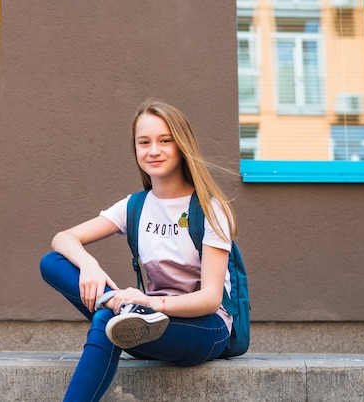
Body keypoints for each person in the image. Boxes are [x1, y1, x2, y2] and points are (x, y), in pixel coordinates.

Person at [40, 99, 238, 401]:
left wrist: (149, 302)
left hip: (205, 329)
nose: (153, 150)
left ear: (181, 145)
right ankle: (120, 310)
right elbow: (62, 239)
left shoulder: (210, 209)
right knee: (52, 262)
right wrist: (90, 264)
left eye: (164, 141)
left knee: (106, 320)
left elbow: (211, 299)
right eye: (143, 142)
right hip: (144, 319)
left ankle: (121, 313)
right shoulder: (136, 206)